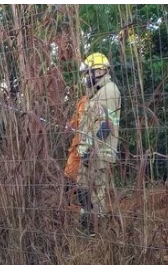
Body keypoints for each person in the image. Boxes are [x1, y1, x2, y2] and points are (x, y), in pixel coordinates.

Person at [65, 52, 121, 235]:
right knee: (82, 191)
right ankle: (85, 229)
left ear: (100, 71)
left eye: (89, 72)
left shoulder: (109, 91)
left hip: (100, 153)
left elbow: (107, 124)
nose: (86, 77)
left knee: (97, 194)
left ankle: (97, 233)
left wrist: (92, 148)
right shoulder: (94, 95)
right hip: (87, 153)